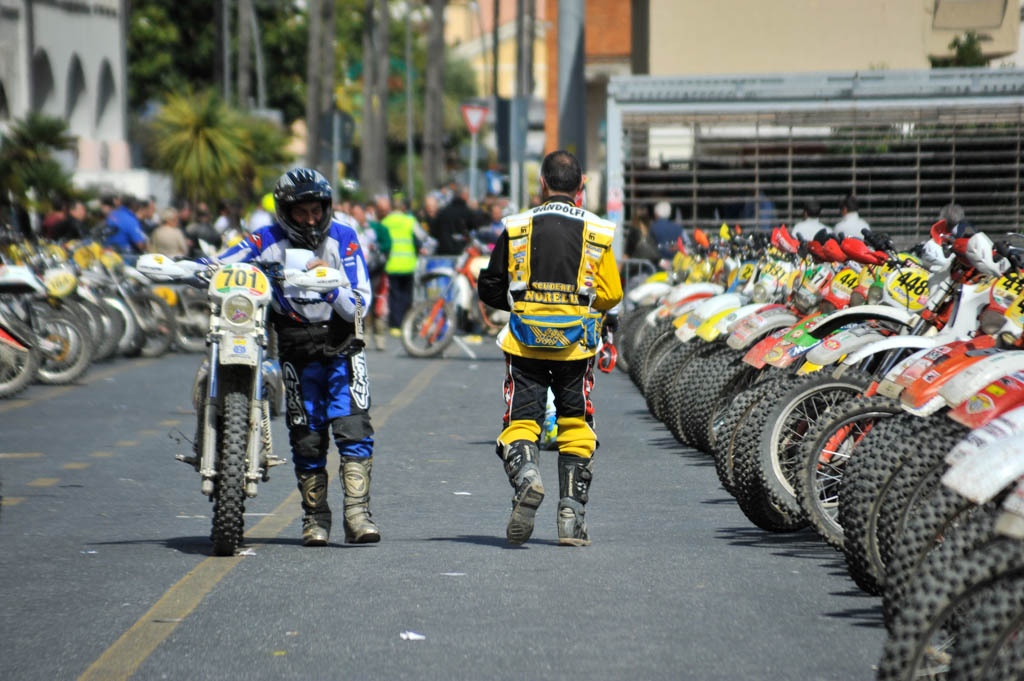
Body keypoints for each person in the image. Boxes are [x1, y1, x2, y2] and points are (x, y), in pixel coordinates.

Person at [213, 168, 379, 547]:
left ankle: (358, 514)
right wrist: (186, 269)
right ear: (284, 212)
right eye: (301, 212)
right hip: (294, 347)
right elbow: (223, 264)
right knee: (306, 436)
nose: (310, 220)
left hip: (342, 345)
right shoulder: (265, 239)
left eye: (316, 211)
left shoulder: (345, 238)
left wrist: (329, 283)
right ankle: (315, 518)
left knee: (353, 428)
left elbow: (361, 302)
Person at [478, 150, 623, 547]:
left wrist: (521, 305)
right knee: (575, 426)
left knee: (522, 421)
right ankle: (571, 520)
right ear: (581, 186)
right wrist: (581, 305)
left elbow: (490, 286)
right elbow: (612, 293)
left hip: (524, 344)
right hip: (576, 347)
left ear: (542, 184)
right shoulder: (597, 229)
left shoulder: (518, 225)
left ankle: (527, 476)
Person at [378, 195, 419, 331]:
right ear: (403, 208)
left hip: (392, 264)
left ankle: (395, 325)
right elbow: (422, 238)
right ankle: (406, 323)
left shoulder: (386, 222)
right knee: (407, 296)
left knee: (394, 296)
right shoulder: (410, 220)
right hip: (408, 264)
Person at [432, 185, 480, 255]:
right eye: (468, 195)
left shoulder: (443, 212)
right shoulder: (467, 212)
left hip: (442, 250)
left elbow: (434, 231)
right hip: (461, 251)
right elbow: (474, 229)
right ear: (464, 195)